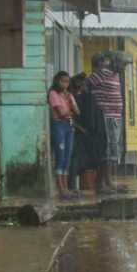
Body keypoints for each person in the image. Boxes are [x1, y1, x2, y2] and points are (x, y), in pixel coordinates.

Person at [87, 53, 125, 193]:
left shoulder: (115, 75)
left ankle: (108, 182)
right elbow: (87, 85)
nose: (124, 67)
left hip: (114, 117)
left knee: (113, 151)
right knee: (107, 150)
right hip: (106, 116)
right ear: (114, 62)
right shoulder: (102, 72)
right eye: (123, 64)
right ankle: (102, 183)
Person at [70, 73, 107, 192]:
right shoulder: (75, 97)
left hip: (89, 132)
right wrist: (81, 129)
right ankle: (72, 186)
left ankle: (80, 186)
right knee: (77, 160)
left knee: (84, 160)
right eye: (81, 85)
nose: (83, 87)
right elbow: (73, 117)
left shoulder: (88, 97)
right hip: (80, 132)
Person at [48, 71, 79, 200]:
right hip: (59, 125)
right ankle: (61, 189)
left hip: (69, 126)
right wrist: (70, 109)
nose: (65, 84)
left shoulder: (68, 95)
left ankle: (66, 189)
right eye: (62, 81)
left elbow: (77, 111)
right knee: (60, 157)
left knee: (67, 157)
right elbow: (61, 113)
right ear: (57, 81)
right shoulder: (53, 94)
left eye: (67, 82)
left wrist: (71, 100)